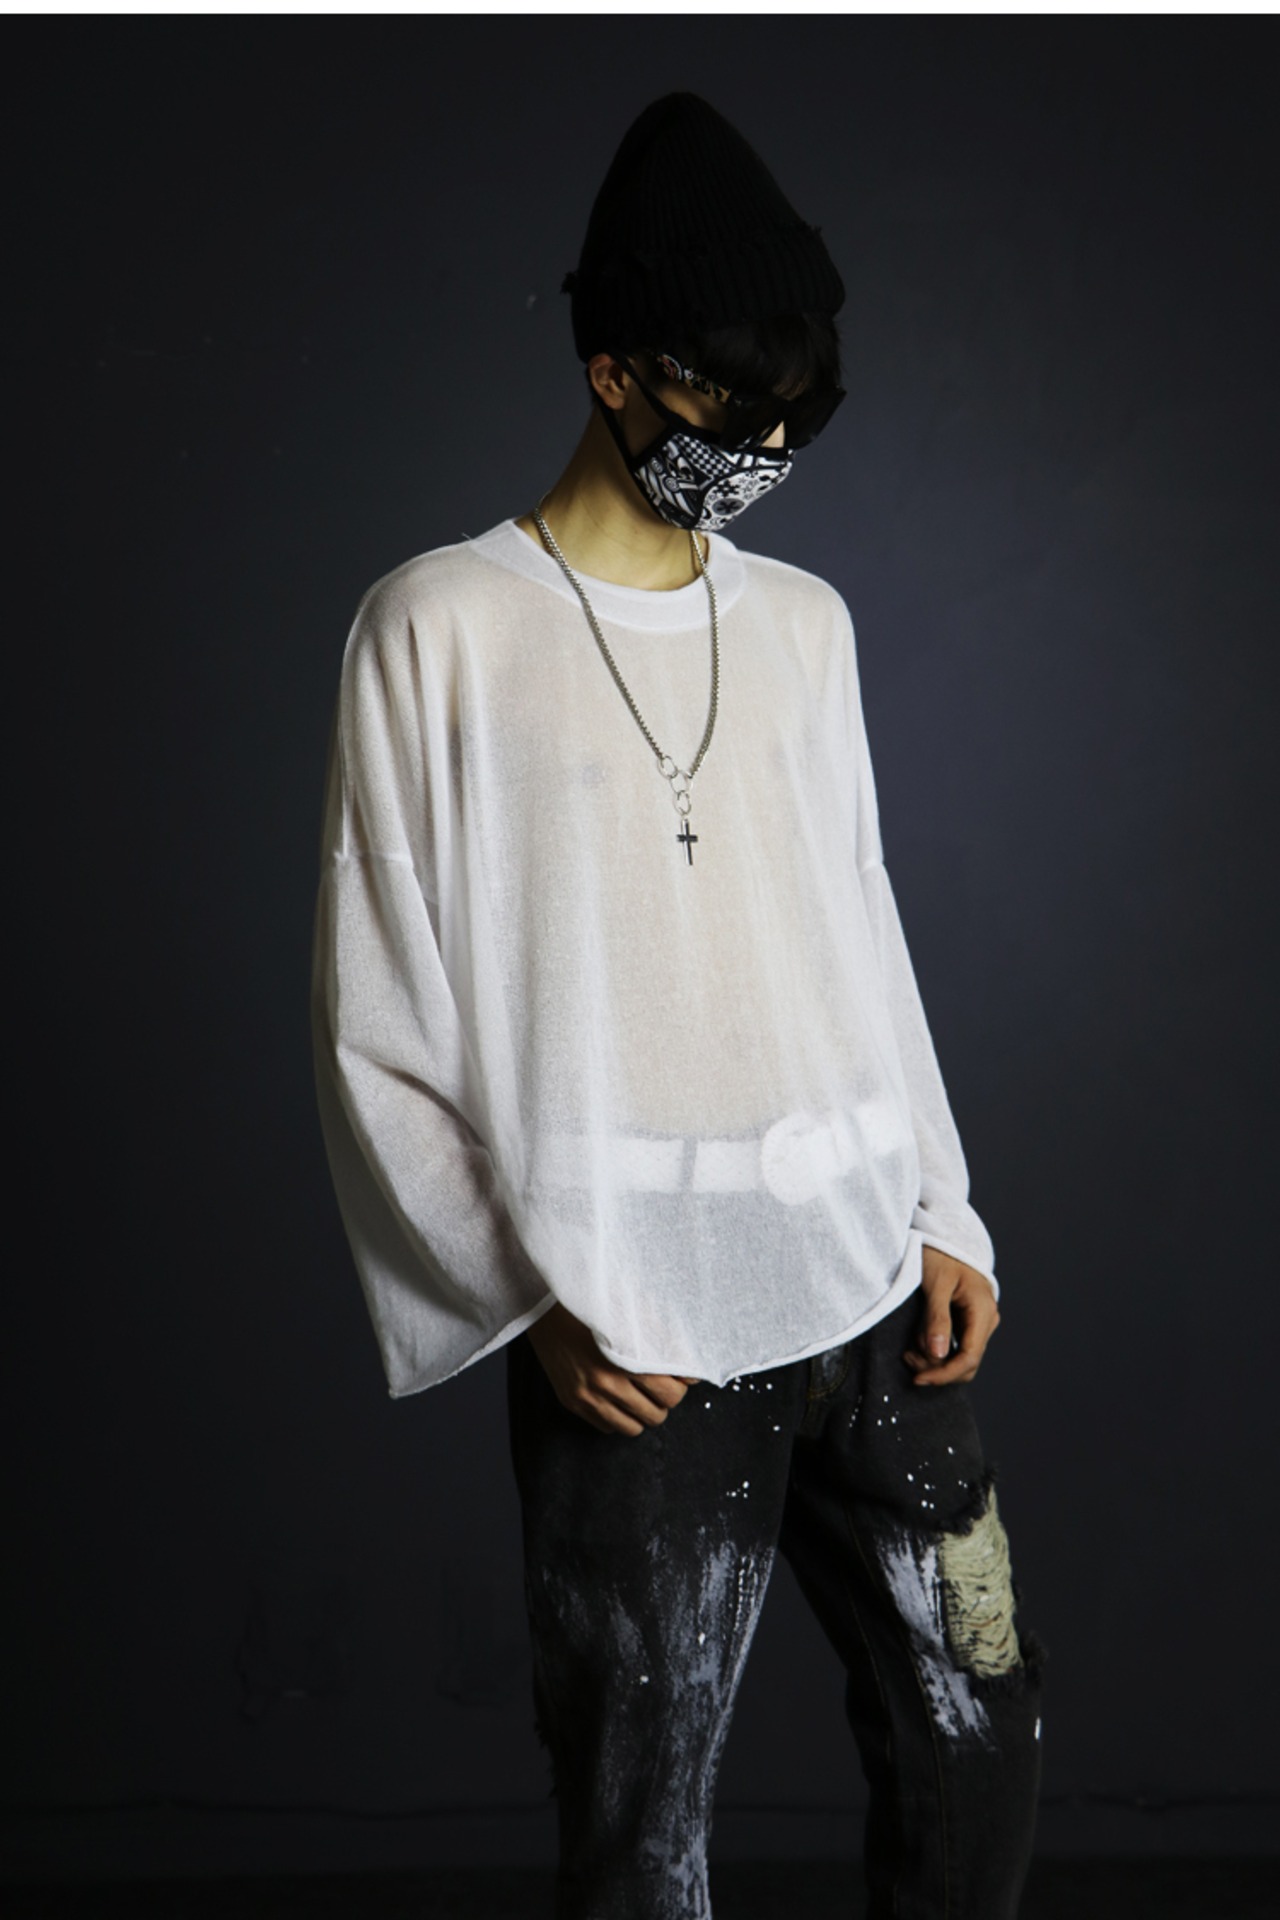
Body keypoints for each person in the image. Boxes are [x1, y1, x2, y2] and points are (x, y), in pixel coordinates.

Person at [312, 89, 1047, 1920]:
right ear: (615, 370)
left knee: (979, 1732)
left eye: (802, 412)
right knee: (641, 1827)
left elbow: (856, 923)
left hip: (869, 1278)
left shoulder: (806, 626)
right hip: (631, 1311)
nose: (769, 446)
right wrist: (525, 1288)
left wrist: (944, 1203)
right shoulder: (438, 626)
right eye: (735, 405)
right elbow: (378, 1012)